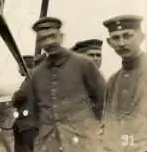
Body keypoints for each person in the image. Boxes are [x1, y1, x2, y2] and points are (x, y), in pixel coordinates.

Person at [29, 17, 106, 152]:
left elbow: (103, 101)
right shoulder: (37, 74)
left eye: (52, 36)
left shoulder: (84, 64)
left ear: (61, 37)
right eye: (43, 39)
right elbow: (35, 111)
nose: (49, 42)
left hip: (83, 142)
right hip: (49, 144)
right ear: (39, 43)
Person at [100, 15, 147, 152]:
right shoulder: (113, 81)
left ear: (141, 37)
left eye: (127, 36)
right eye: (116, 38)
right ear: (109, 42)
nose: (121, 43)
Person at [12, 54, 45, 152]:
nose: (18, 70)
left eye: (19, 67)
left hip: (27, 124)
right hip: (34, 123)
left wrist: (14, 98)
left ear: (24, 66)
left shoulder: (30, 78)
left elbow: (20, 95)